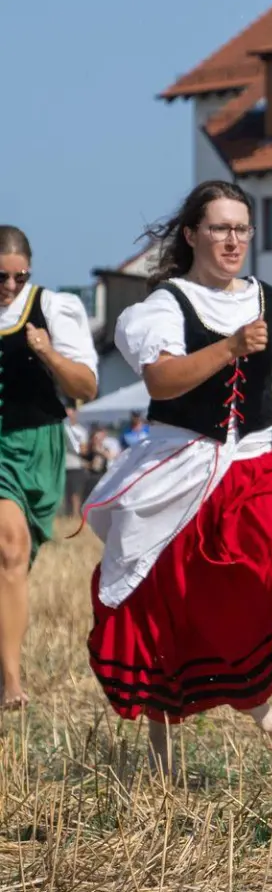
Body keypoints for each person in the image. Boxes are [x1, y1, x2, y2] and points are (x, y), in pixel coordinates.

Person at [81, 181, 272, 771]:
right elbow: (161, 381)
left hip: (250, 459)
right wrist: (229, 346)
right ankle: (161, 746)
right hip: (179, 462)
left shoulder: (267, 299)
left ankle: (253, 691)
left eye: (241, 229)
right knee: (166, 600)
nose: (233, 240)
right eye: (220, 228)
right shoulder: (164, 306)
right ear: (192, 235)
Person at [0, 226, 98, 709]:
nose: (10, 286)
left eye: (21, 277)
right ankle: (13, 682)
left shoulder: (54, 309)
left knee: (19, 561)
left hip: (39, 445)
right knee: (9, 549)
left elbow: (87, 386)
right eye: (1, 277)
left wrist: (47, 352)